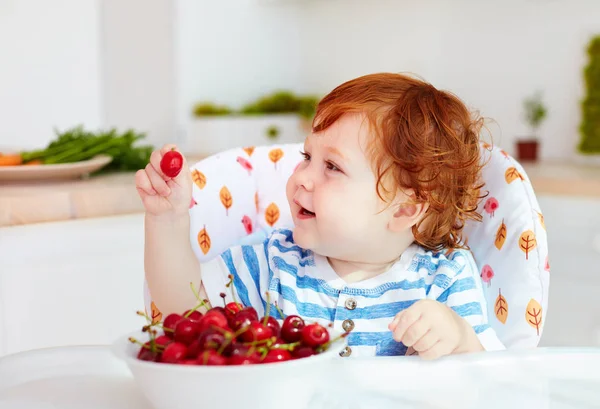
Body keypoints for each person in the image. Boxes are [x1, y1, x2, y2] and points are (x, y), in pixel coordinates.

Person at [135, 73, 504, 359]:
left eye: (332, 167)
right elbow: (187, 313)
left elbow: (494, 381)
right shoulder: (275, 263)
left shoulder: (445, 279)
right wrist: (167, 221)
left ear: (405, 209)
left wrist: (458, 338)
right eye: (307, 157)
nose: (302, 179)